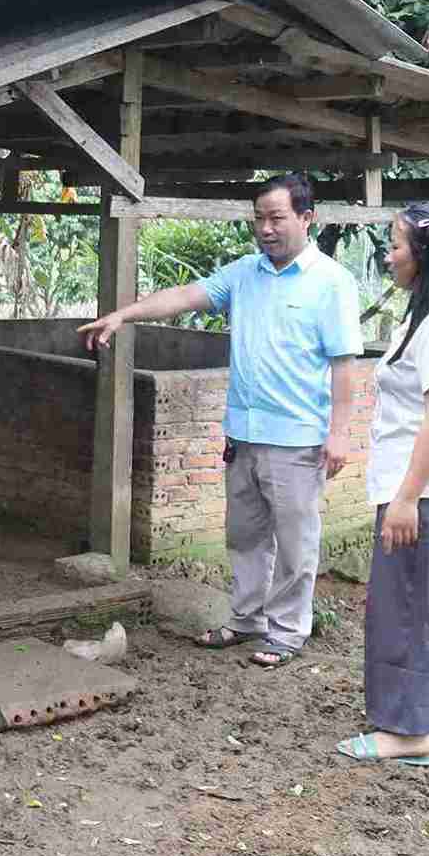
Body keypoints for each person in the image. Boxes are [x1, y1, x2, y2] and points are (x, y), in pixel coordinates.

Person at [78, 174, 361, 666]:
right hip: (244, 435)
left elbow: (343, 365)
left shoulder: (332, 283)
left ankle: (288, 632)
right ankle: (248, 618)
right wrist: (124, 315)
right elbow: (186, 296)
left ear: (306, 218)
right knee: (245, 535)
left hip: (297, 440)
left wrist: (339, 434)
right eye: (259, 219)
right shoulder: (245, 274)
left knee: (296, 542)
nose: (266, 229)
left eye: (276, 218)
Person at [335, 201, 429, 767]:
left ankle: (405, 730)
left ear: (424, 255)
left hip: (424, 490)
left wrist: (405, 498)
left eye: (396, 245)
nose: (388, 254)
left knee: (405, 603)